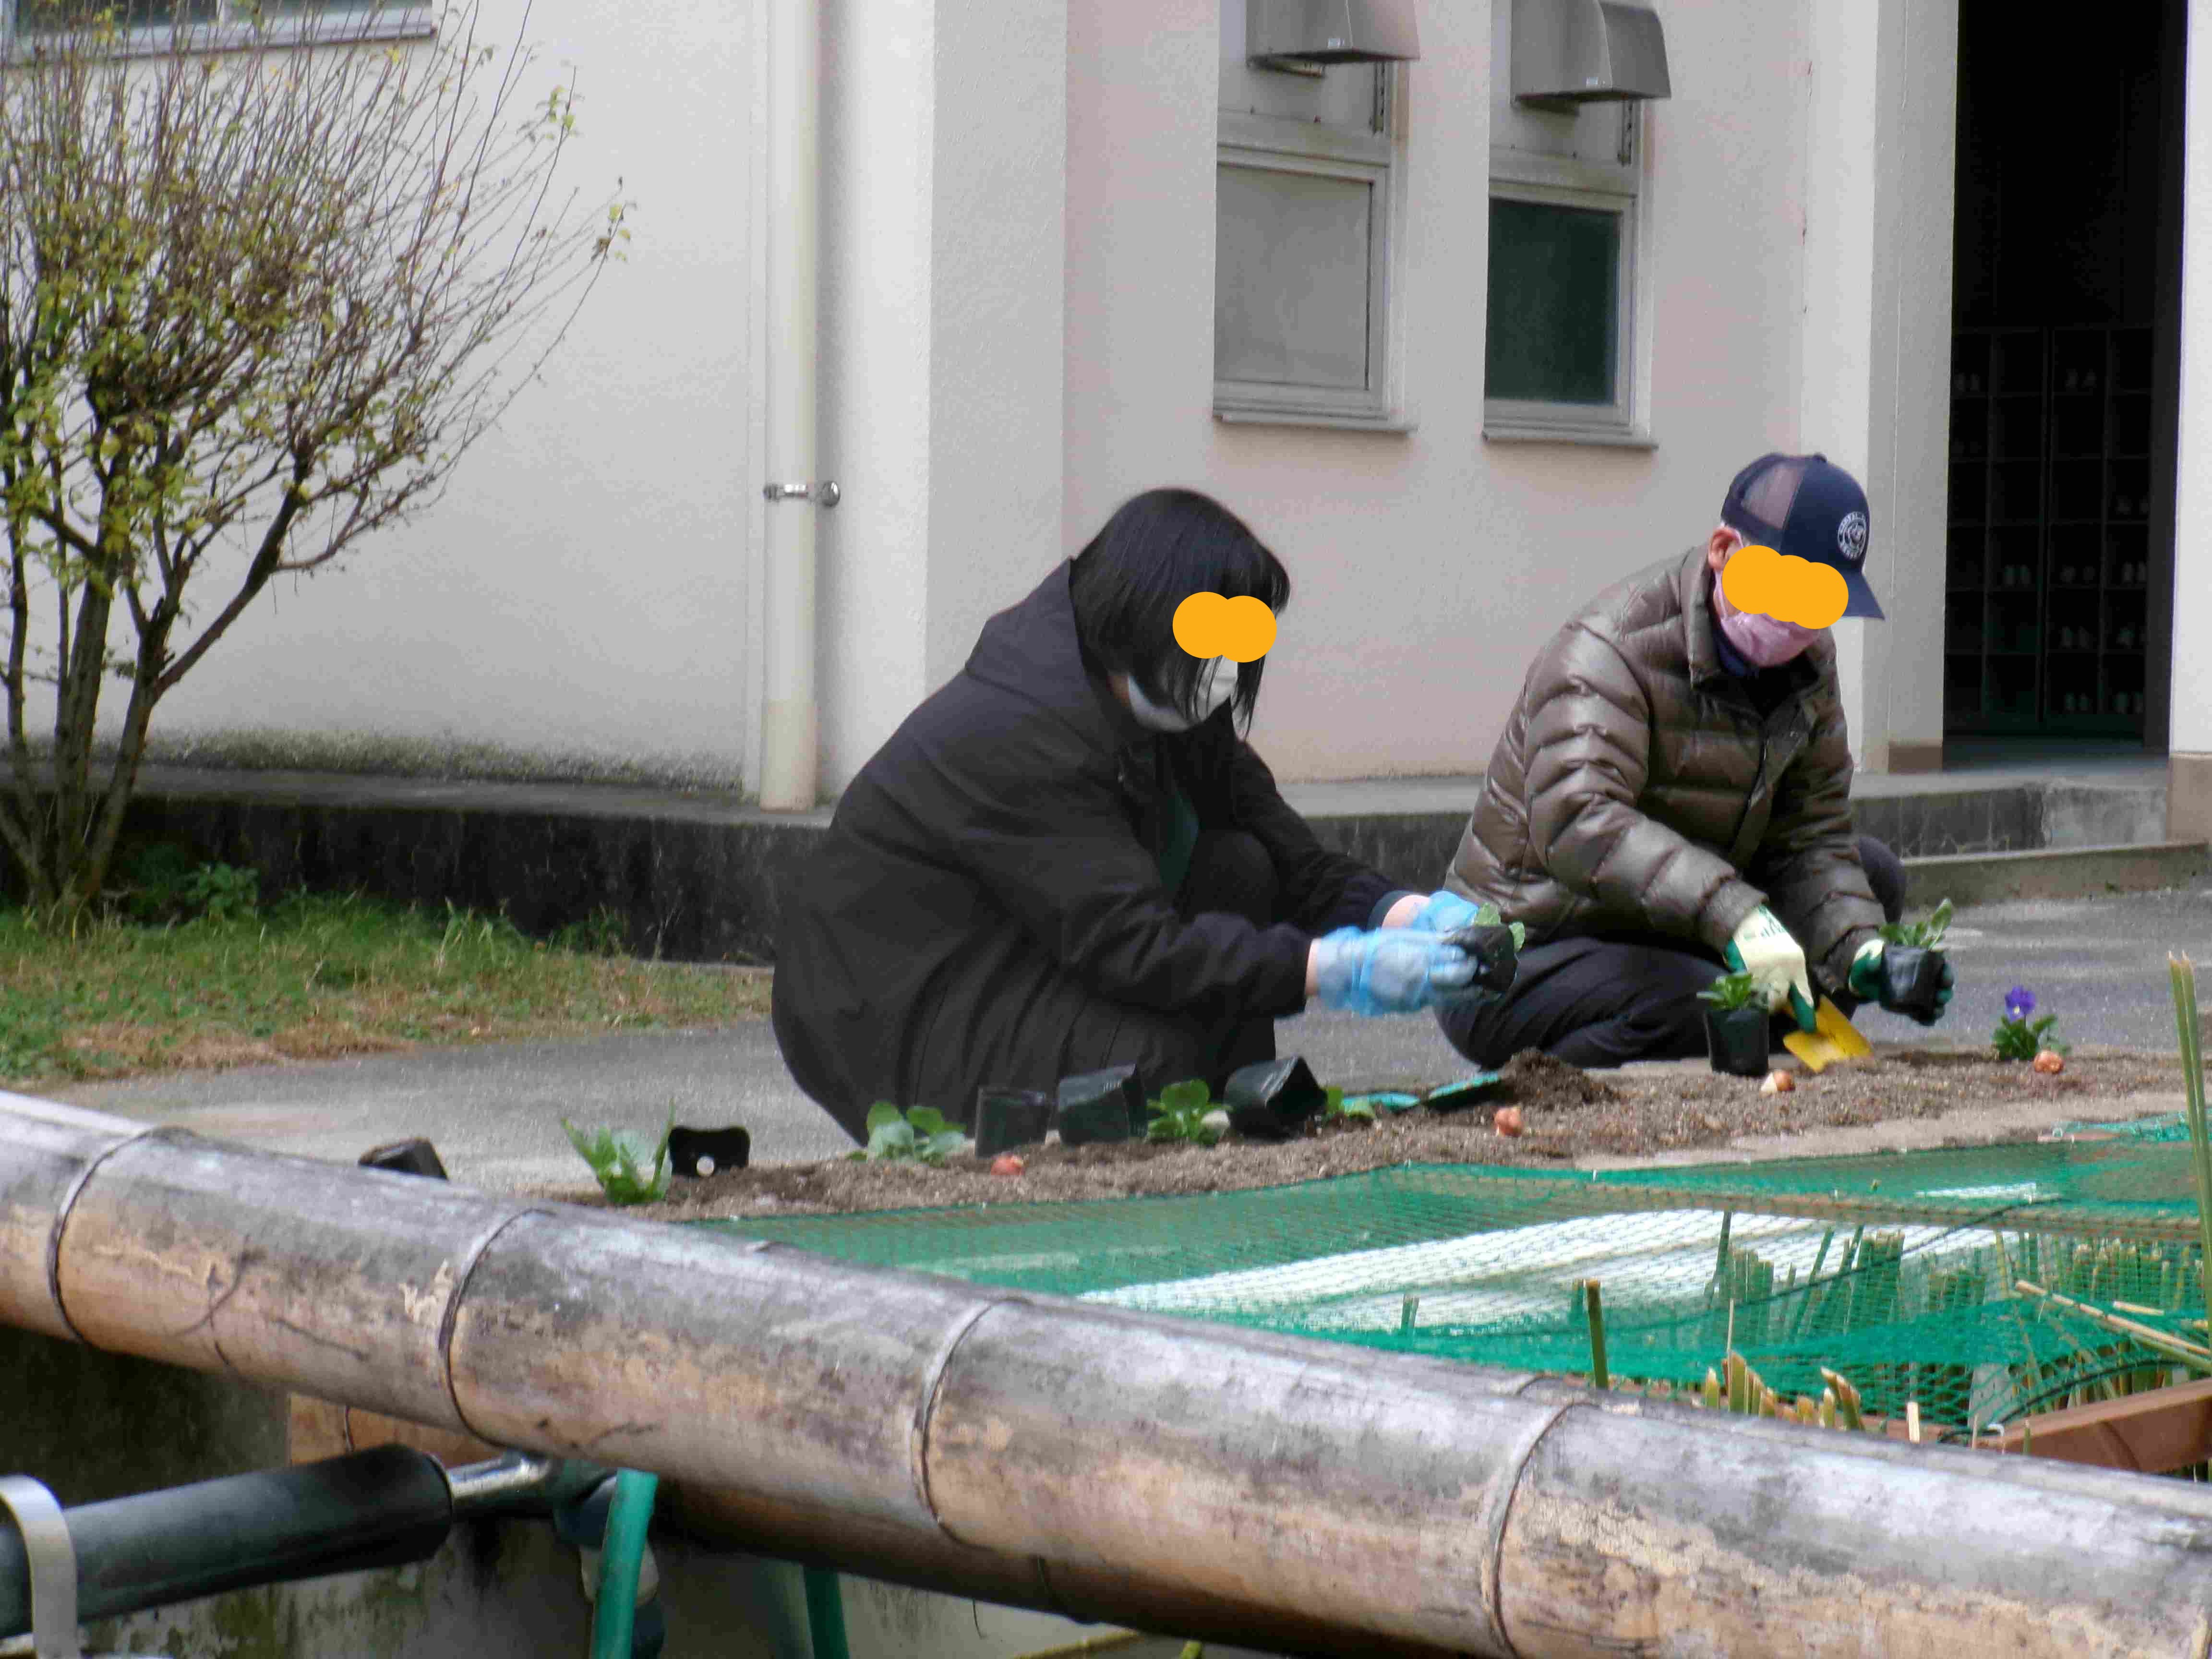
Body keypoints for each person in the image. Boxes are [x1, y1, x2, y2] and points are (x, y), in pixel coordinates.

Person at [773, 487, 1499, 1142]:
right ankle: (1141, 1135)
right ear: (1147, 617)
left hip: (1023, 947)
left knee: (1240, 869)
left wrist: (1406, 916)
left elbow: (1290, 864)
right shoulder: (1023, 735)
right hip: (900, 1003)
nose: (1227, 674)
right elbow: (1132, 948)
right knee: (1157, 1066)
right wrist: (1333, 969)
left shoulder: (1175, 702)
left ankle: (1223, 1119)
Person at [1435, 452, 1954, 1070]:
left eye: (1819, 601)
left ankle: (1750, 1025)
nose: (1796, 621)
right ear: (1723, 549)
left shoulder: (1808, 663)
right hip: (1527, 951)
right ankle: (1558, 1086)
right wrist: (1736, 917)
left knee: (1874, 877)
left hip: (1664, 928)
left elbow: (1811, 835)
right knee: (1695, 1000)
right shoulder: (1606, 653)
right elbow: (1577, 823)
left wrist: (1865, 955)